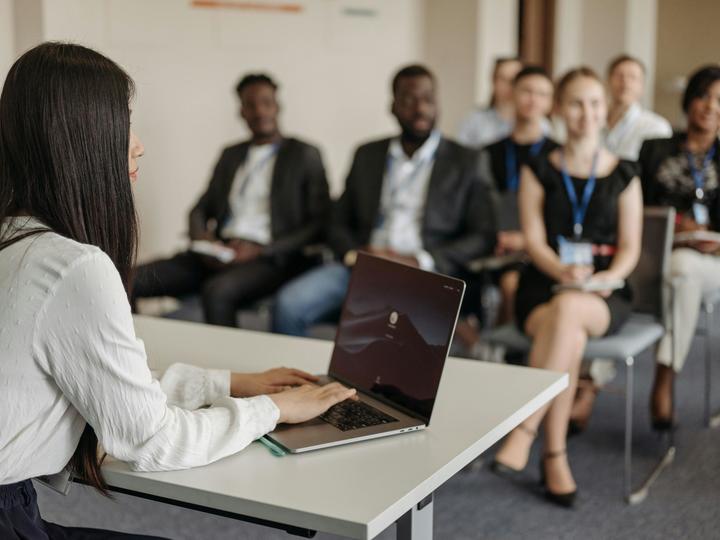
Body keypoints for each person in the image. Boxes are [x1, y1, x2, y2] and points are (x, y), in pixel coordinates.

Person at [0, 42, 355, 539]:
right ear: (82, 137)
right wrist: (274, 410)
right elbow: (151, 440)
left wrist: (230, 383)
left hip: (273, 257)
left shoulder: (15, 238)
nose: (139, 144)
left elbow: (115, 386)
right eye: (125, 124)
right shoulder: (73, 268)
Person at [489, 67, 643, 507]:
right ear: (559, 110)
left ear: (605, 111)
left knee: (574, 311)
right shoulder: (538, 169)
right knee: (568, 333)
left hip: (605, 294)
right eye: (575, 103)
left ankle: (525, 429)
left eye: (595, 103)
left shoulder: (624, 173)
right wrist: (562, 272)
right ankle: (554, 454)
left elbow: (631, 248)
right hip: (545, 289)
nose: (586, 113)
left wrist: (602, 279)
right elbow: (533, 240)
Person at [272, 64, 496, 337]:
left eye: (428, 99)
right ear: (393, 106)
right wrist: (355, 254)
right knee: (288, 305)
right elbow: (336, 220)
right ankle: (294, 380)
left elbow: (483, 235)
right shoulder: (368, 154)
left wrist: (419, 261)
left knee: (387, 328)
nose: (420, 108)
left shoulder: (467, 161)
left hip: (425, 274)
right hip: (363, 266)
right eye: (409, 99)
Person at [132, 73, 330, 327]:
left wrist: (262, 250)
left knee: (218, 291)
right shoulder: (232, 155)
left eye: (266, 102)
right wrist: (203, 239)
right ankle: (130, 356)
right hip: (220, 251)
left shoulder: (304, 154)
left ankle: (224, 365)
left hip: (270, 259)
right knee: (131, 278)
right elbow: (201, 208)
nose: (259, 111)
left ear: (277, 106)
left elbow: (318, 224)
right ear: (242, 112)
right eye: (251, 105)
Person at [639, 65, 720, 430]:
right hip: (655, 251)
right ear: (690, 100)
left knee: (684, 270)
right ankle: (590, 382)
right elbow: (632, 205)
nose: (709, 106)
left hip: (709, 261)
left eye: (719, 100)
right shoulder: (655, 149)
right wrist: (673, 223)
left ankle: (665, 377)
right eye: (703, 95)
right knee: (669, 273)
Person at [477, 65, 557, 325]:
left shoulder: (558, 155)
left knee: (512, 283)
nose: (533, 99)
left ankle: (508, 352)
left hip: (538, 247)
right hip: (492, 243)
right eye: (526, 91)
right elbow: (476, 205)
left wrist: (526, 240)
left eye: (542, 94)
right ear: (512, 93)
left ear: (551, 102)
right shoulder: (487, 153)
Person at [604, 54, 673, 160]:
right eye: (619, 76)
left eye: (632, 77)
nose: (625, 82)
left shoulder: (657, 128)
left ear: (642, 86)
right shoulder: (593, 123)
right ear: (608, 81)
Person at [457, 57, 524, 148]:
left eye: (514, 80)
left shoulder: (538, 124)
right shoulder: (474, 120)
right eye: (503, 79)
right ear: (493, 80)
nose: (509, 85)